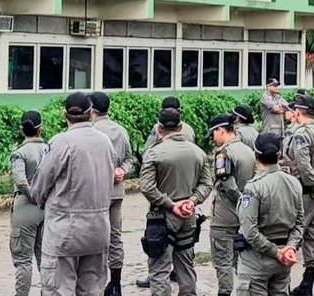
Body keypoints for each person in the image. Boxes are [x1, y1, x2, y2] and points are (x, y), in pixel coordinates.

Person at [31, 92, 115, 295]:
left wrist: (43, 201)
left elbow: (40, 185)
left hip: (64, 231)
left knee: (59, 289)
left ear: (64, 114)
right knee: (92, 289)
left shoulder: (61, 142)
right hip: (98, 229)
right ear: (90, 113)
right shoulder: (106, 142)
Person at [139, 106, 212, 295]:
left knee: (159, 267)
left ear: (159, 129)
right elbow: (207, 183)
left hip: (162, 216)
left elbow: (146, 187)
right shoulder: (198, 153)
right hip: (189, 215)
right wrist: (192, 201)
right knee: (186, 264)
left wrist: (171, 205)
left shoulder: (154, 153)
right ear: (180, 127)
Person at [235, 133, 304, 296]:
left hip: (257, 260)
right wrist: (290, 247)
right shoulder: (294, 182)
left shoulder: (254, 187)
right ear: (279, 155)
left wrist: (275, 252)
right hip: (284, 259)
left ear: (255, 154)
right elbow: (300, 223)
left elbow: (250, 232)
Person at [282, 96, 314, 296]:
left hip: (304, 192)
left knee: (292, 235)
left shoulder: (302, 134)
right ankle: (307, 285)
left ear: (298, 112)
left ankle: (282, 285)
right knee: (313, 237)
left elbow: (303, 164)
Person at [89, 92, 135, 295]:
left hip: (93, 195)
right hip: (116, 193)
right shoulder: (121, 130)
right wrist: (123, 170)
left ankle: (94, 282)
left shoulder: (90, 132)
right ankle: (115, 283)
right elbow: (131, 159)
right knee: (115, 237)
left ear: (91, 109)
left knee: (93, 238)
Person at [208, 114, 256, 296]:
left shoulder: (224, 153)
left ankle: (225, 292)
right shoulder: (247, 150)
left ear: (221, 130)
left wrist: (240, 201)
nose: (213, 137)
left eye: (214, 133)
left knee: (223, 261)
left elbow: (227, 184)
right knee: (243, 260)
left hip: (225, 216)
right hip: (244, 217)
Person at [9, 111, 49, 296]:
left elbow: (21, 180)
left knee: (23, 260)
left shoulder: (19, 153)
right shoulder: (50, 149)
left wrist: (34, 195)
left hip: (26, 206)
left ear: (21, 129)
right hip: (48, 206)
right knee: (46, 258)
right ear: (41, 128)